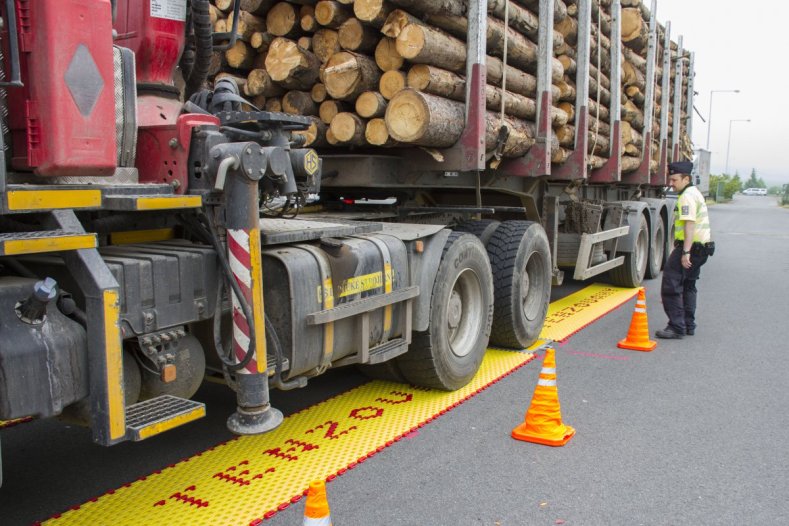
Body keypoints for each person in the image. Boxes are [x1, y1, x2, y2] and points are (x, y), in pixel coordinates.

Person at [656, 161, 714, 339]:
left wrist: (685, 252)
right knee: (688, 285)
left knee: (671, 284)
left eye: (674, 180)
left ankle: (676, 326)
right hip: (702, 248)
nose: (671, 183)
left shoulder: (687, 196)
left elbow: (689, 224)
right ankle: (688, 324)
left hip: (692, 249)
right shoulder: (694, 192)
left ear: (686, 178)